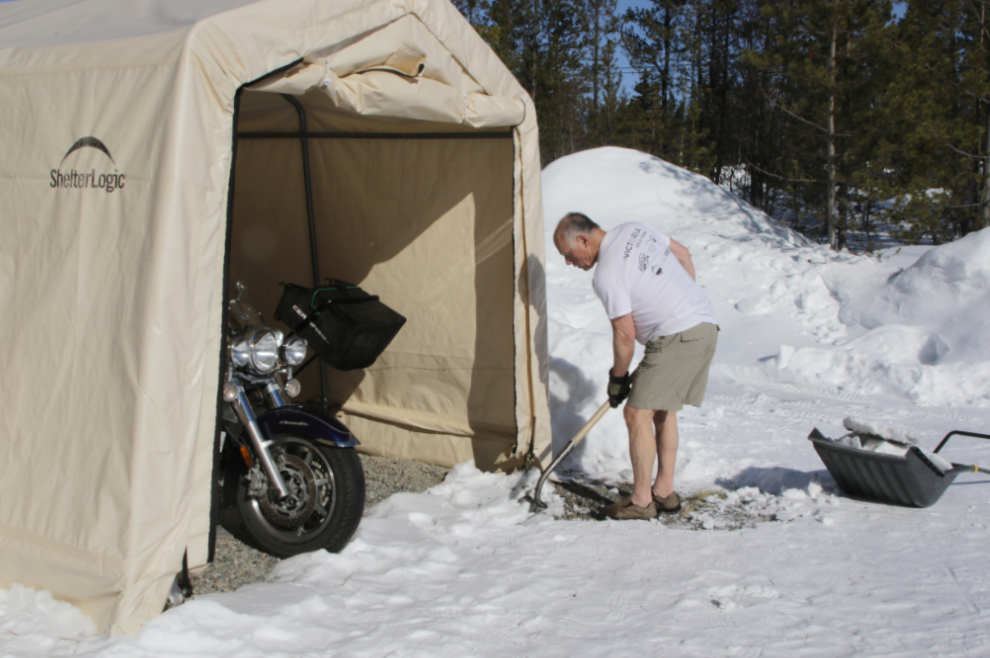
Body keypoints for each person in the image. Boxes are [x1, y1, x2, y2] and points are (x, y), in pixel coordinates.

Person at [553, 213, 718, 520]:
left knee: (636, 413)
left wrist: (618, 378)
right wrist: (685, 305)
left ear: (583, 240)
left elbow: (625, 334)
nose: (569, 262)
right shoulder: (634, 229)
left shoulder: (606, 275)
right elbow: (682, 253)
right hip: (702, 326)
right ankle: (664, 492)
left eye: (568, 254)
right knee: (661, 411)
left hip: (678, 335)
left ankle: (642, 501)